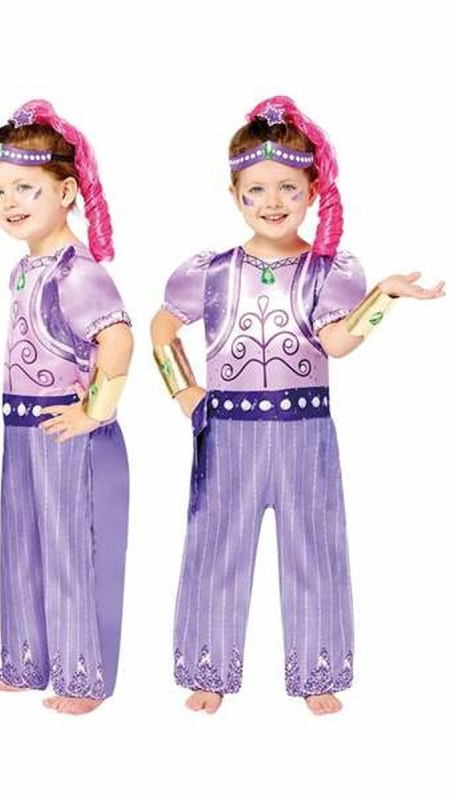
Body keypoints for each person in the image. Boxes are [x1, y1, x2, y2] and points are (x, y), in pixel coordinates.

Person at [151, 95, 445, 716]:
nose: (273, 202)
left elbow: (336, 343)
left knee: (314, 547)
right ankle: (208, 668)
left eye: (288, 187)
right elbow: (162, 326)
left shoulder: (328, 271)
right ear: (234, 194)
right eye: (256, 190)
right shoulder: (211, 271)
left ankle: (317, 671)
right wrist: (184, 391)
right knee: (215, 547)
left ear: (312, 190)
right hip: (227, 430)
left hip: (305, 430)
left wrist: (384, 297)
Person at [0, 100, 133, 715]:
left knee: (70, 551)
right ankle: (25, 661)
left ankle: (81, 677)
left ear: (65, 191)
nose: (8, 203)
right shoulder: (25, 268)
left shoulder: (77, 271)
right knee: (22, 545)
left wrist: (95, 411)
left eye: (25, 188)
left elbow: (117, 339)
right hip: (21, 425)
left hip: (67, 428)